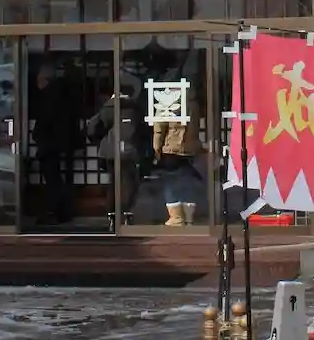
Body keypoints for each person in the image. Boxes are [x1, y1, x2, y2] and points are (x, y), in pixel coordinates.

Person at [31, 61, 83, 225]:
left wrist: (37, 136)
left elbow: (45, 121)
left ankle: (53, 211)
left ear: (45, 79)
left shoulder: (48, 97)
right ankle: (63, 212)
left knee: (52, 179)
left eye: (39, 79)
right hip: (63, 144)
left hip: (50, 144)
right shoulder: (65, 94)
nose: (37, 83)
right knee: (61, 178)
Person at [86, 71, 142, 222]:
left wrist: (98, 140)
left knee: (114, 182)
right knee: (129, 182)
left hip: (111, 150)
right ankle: (126, 211)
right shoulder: (135, 109)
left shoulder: (109, 108)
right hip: (130, 149)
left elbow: (93, 128)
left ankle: (113, 213)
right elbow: (143, 130)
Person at [152, 95, 203, 226]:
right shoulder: (193, 102)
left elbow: (159, 128)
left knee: (171, 182)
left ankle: (176, 217)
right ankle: (188, 216)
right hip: (189, 148)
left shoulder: (166, 101)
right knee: (186, 181)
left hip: (171, 148)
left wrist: (157, 149)